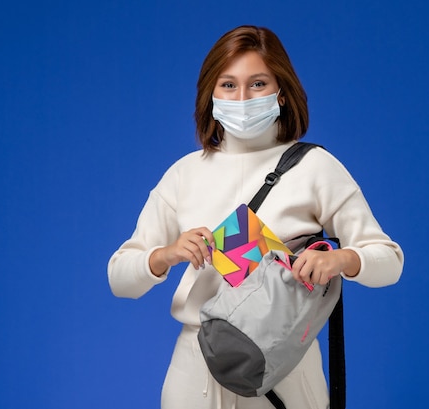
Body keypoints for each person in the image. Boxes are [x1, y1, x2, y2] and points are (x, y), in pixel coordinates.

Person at [107, 25, 404, 409]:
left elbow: (390, 261)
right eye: (228, 85)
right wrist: (165, 255)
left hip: (284, 372)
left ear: (281, 92)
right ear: (210, 95)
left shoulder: (315, 167)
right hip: (196, 371)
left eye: (258, 83)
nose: (242, 97)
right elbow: (120, 278)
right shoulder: (184, 174)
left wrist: (341, 259)